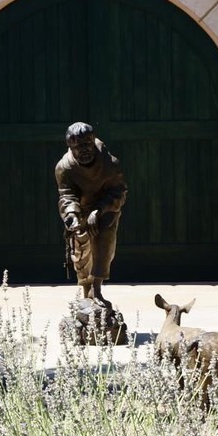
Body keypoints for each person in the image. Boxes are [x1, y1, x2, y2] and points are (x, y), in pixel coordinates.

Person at [55, 122, 128, 304]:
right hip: (80, 210)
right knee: (80, 245)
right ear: (70, 147)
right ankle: (86, 289)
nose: (84, 150)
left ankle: (96, 288)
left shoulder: (110, 164)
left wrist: (99, 210)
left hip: (105, 209)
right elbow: (66, 195)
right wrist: (71, 214)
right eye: (77, 146)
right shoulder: (64, 168)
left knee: (103, 236)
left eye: (87, 144)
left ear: (93, 141)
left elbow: (118, 192)